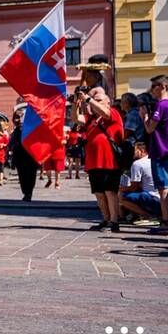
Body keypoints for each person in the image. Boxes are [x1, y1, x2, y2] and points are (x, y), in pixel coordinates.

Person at [74, 86, 124, 233]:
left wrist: (88, 99)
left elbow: (105, 113)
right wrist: (77, 104)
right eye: (95, 101)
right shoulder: (92, 119)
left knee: (110, 191)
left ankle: (114, 222)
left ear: (108, 103)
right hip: (93, 161)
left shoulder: (113, 113)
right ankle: (106, 219)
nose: (96, 103)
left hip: (110, 161)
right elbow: (76, 119)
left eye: (99, 101)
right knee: (98, 193)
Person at [143, 75, 168, 235]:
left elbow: (150, 129)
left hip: (161, 151)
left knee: (163, 189)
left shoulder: (161, 106)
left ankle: (165, 222)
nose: (151, 91)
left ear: (163, 86)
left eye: (154, 86)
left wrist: (145, 118)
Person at [119, 141, 161, 225]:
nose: (132, 153)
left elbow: (133, 187)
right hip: (161, 199)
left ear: (142, 151)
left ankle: (148, 215)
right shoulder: (156, 159)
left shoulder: (137, 164)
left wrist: (119, 188)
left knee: (121, 198)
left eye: (135, 150)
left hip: (152, 198)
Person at [9, 109, 40, 201]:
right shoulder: (15, 130)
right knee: (22, 175)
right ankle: (26, 192)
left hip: (31, 156)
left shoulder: (30, 128)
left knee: (31, 175)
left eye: (20, 117)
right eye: (16, 118)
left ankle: (29, 192)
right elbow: (12, 143)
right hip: (19, 156)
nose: (17, 120)